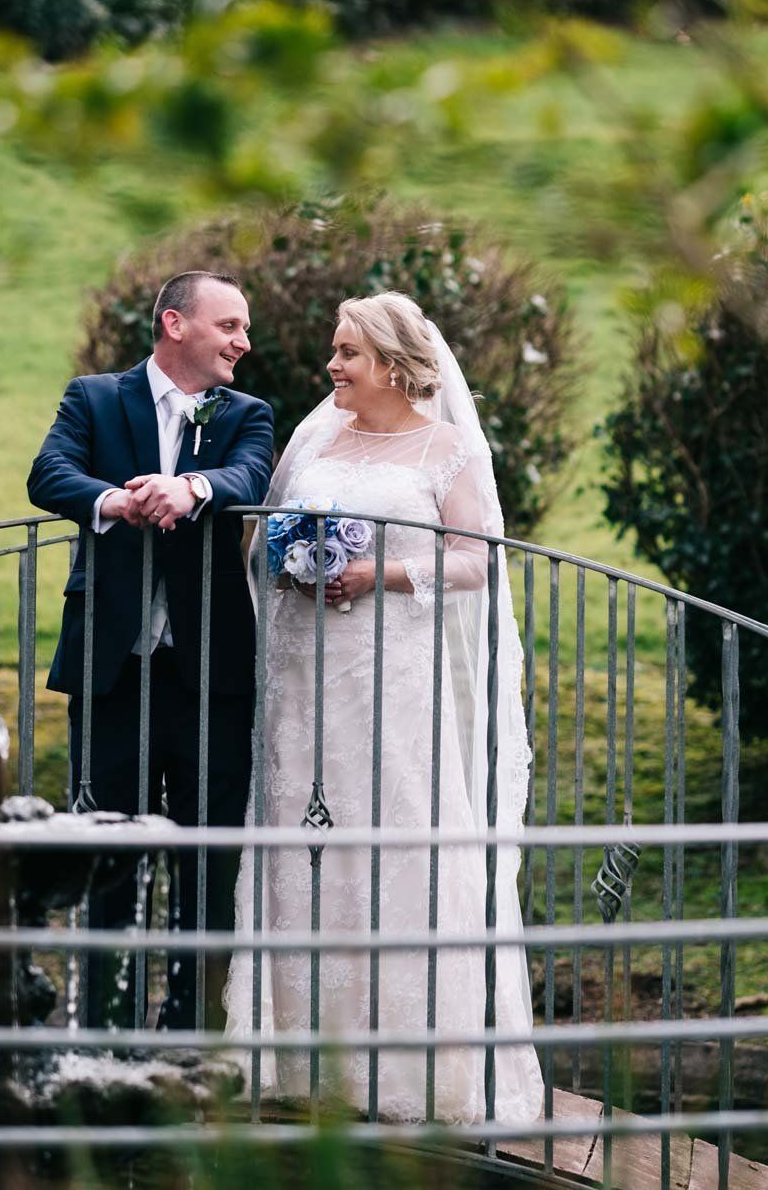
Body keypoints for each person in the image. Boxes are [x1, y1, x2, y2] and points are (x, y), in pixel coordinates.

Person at [224, 291, 543, 1122]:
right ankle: (299, 1060)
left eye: (348, 354)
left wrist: (383, 575)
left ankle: (411, 1075)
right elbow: (264, 535)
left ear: (395, 366)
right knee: (300, 835)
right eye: (335, 351)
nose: (331, 366)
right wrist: (293, 560)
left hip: (395, 673)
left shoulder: (447, 450)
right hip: (305, 678)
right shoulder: (316, 438)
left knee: (402, 833)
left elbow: (476, 562)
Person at [27, 270, 273, 1031]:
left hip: (210, 673)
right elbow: (49, 473)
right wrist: (116, 501)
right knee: (106, 855)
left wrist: (191, 488)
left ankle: (189, 1028)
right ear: (175, 324)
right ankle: (100, 1024)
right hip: (112, 669)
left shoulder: (246, 413)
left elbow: (250, 473)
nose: (244, 341)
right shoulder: (94, 398)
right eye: (229, 326)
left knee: (206, 856)